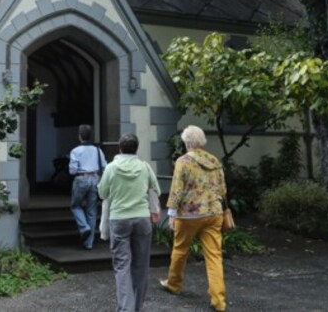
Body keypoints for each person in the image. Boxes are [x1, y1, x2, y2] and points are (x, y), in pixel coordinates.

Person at [160, 125, 227, 312]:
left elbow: (177, 189)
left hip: (189, 215)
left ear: (187, 142)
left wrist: (172, 213)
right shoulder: (214, 160)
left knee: (180, 250)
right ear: (202, 141)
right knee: (214, 256)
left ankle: (174, 284)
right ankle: (219, 301)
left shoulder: (183, 161)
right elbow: (223, 190)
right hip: (214, 213)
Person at [98, 133, 160, 312]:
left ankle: (126, 308)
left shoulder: (111, 168)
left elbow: (102, 193)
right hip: (142, 219)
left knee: (122, 266)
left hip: (119, 219)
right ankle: (136, 307)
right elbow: (156, 189)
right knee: (141, 266)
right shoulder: (145, 167)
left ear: (119, 148)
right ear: (137, 148)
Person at [69, 124, 107, 249]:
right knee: (92, 210)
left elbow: (72, 170)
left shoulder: (76, 151)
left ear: (79, 136)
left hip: (81, 178)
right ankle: (89, 243)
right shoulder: (97, 150)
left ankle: (84, 227)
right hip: (95, 178)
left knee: (76, 206)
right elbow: (104, 166)